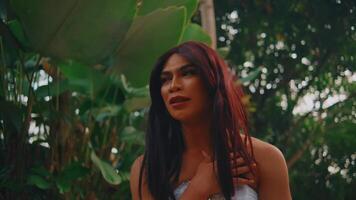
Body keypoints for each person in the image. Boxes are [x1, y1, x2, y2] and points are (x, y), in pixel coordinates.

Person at [130, 41, 292, 200]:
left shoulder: (264, 158)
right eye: (165, 79)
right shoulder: (147, 170)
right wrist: (198, 189)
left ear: (213, 80)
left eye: (187, 73)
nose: (173, 86)